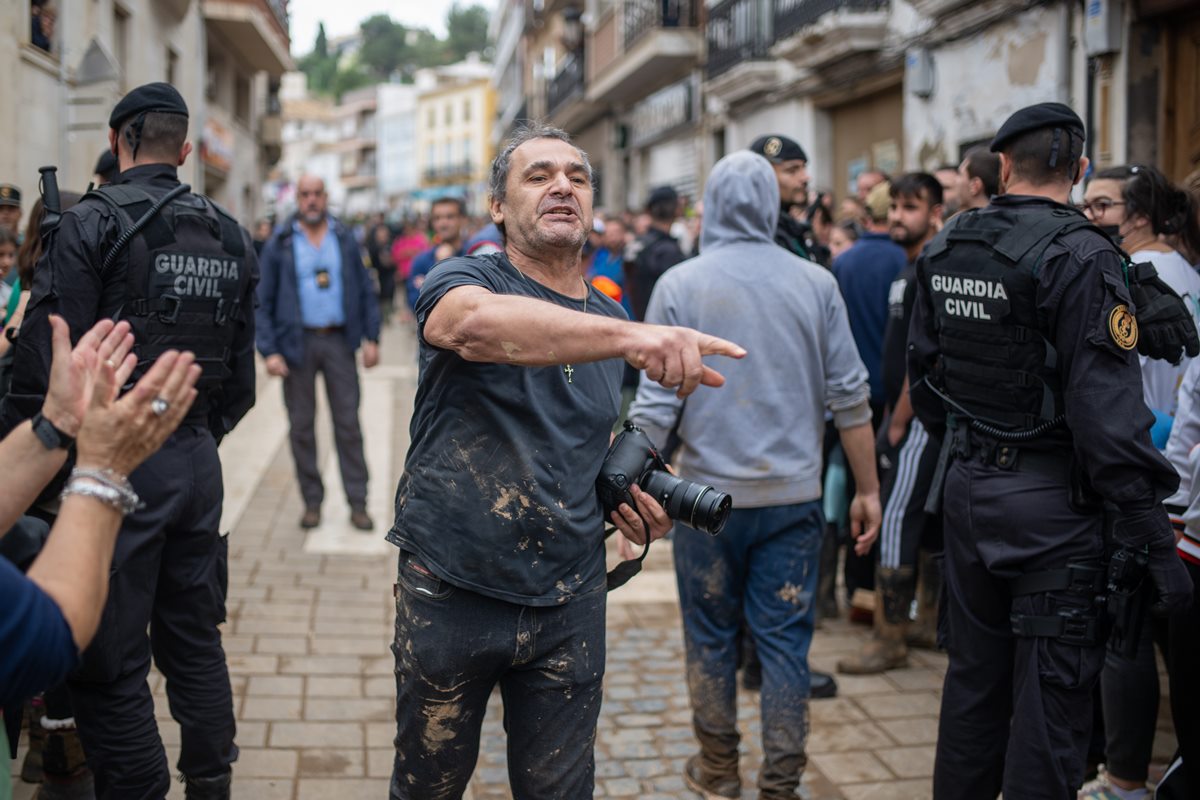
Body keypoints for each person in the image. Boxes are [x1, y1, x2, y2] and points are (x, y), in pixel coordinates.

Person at [387, 122, 745, 799]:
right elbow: (474, 328)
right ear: (497, 206)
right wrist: (633, 335)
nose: (562, 186)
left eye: (577, 177)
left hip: (567, 602)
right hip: (454, 588)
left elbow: (583, 435)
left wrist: (630, 501)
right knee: (425, 787)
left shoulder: (609, 318)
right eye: (539, 175)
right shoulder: (465, 279)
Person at [907, 102, 1193, 799]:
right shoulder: (1085, 253)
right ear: (1080, 170)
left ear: (1002, 167)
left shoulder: (947, 245)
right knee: (1051, 706)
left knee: (973, 685)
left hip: (971, 494)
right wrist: (1154, 540)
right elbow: (1107, 417)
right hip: (1056, 513)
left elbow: (923, 383)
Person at [0, 81, 259, 800]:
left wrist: (37, 465)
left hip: (114, 462)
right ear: (183, 150)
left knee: (108, 663)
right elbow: (241, 380)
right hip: (197, 459)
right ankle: (212, 783)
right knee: (195, 637)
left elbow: (44, 368)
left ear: (118, 144)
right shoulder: (233, 233)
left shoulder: (86, 224)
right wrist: (192, 433)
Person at [628, 150, 880, 800]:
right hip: (793, 505)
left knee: (710, 638)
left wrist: (625, 491)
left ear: (710, 204)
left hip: (705, 506)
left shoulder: (682, 284)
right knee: (786, 646)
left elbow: (655, 410)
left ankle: (716, 770)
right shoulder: (815, 282)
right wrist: (869, 490)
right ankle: (782, 782)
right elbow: (851, 397)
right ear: (773, 205)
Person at [1075, 164, 1200, 800]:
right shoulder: (1176, 271)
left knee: (1129, 633)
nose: (1091, 214)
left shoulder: (1150, 277)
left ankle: (1124, 776)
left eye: (1103, 204)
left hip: (1150, 469)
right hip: (1169, 475)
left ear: (1141, 214)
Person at [837, 173, 944, 675]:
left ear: (935, 211)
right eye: (895, 206)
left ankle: (891, 635)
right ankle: (922, 622)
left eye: (911, 207)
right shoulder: (904, 267)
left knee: (898, 514)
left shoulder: (931, 266)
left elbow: (924, 356)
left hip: (918, 414)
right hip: (900, 411)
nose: (899, 216)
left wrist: (898, 419)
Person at [256, 174, 381, 532]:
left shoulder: (344, 238)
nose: (311, 200)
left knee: (348, 425)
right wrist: (269, 351)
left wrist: (372, 337)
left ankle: (358, 503)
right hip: (297, 345)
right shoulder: (280, 242)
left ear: (326, 198)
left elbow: (364, 288)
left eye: (317, 194)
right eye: (305, 195)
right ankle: (312, 502)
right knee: (301, 428)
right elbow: (261, 300)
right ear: (297, 198)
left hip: (340, 342)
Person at [748, 135, 815, 261]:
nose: (805, 178)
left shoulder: (788, 227)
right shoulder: (757, 232)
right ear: (763, 177)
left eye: (803, 168)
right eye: (792, 170)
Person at [625, 184, 685, 322]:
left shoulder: (637, 244)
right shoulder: (667, 250)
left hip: (636, 322)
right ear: (677, 209)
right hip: (659, 328)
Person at [406, 196, 467, 310]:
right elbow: (416, 304)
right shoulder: (421, 261)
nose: (443, 223)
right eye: (437, 218)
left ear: (463, 220)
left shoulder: (473, 256)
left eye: (450, 217)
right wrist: (441, 264)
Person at [587, 215, 631, 315]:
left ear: (624, 234)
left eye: (616, 232)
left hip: (623, 313)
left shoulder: (629, 259)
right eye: (608, 233)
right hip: (600, 312)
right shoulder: (599, 256)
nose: (612, 237)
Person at [957, 146, 1001, 212]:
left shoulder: (962, 222)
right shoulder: (1014, 218)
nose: (955, 181)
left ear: (974, 186)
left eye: (960, 175)